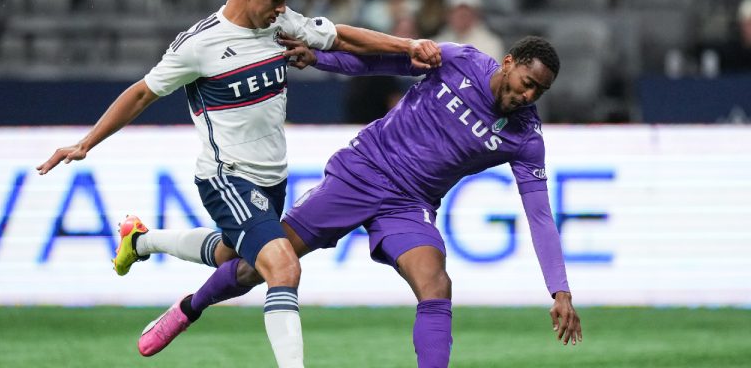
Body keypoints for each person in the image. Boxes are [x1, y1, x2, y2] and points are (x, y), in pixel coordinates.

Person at [36, 0, 440, 367]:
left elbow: (340, 37)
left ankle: (141, 239)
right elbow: (140, 94)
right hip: (226, 177)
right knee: (282, 268)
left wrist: (408, 45)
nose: (281, 8)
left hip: (272, 179)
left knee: (234, 258)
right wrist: (86, 142)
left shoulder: (281, 24)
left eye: (286, 0)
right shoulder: (199, 45)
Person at [117, 35, 583, 367]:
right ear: (507, 62)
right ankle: (188, 309)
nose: (528, 95)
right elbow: (381, 61)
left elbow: (539, 215)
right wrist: (320, 59)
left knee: (436, 285)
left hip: (410, 203)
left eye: (538, 92)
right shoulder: (459, 61)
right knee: (252, 263)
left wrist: (559, 291)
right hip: (362, 173)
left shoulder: (525, 138)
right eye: (526, 81)